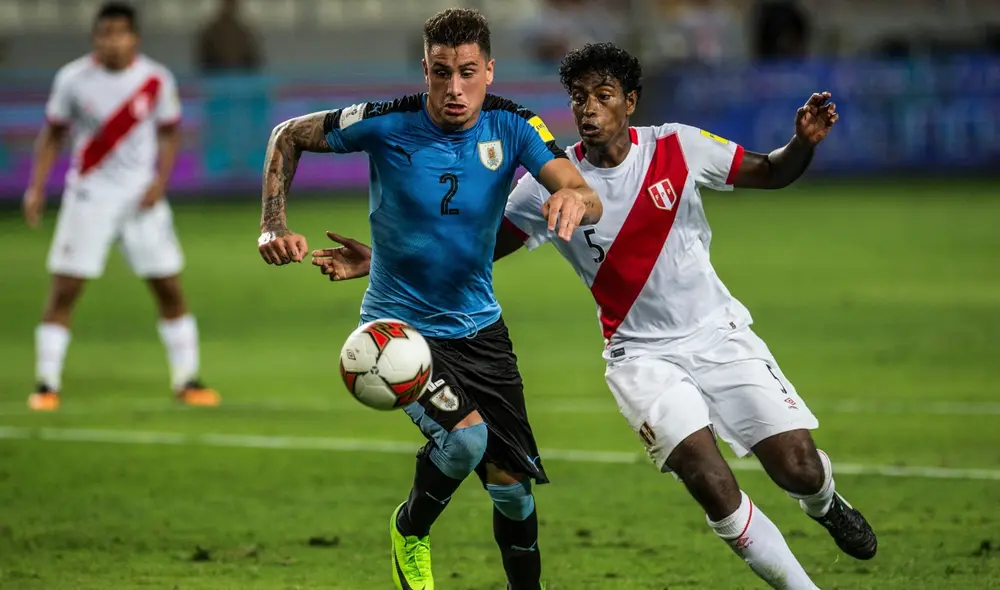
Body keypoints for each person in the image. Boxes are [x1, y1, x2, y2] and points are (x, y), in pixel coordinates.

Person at [312, 43, 877, 590]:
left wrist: (801, 143)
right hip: (640, 358)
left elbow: (772, 171)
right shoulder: (544, 186)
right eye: (578, 96)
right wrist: (380, 260)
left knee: (798, 466)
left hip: (720, 334)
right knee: (709, 480)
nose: (587, 107)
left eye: (602, 94)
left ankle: (824, 503)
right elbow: (472, 250)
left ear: (630, 101)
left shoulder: (679, 147)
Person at [255, 9, 601, 590]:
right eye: (441, 73)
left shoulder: (514, 125)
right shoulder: (386, 123)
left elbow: (579, 187)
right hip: (399, 332)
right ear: (425, 69)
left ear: (489, 71)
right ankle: (411, 529)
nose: (454, 89)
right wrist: (272, 224)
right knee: (464, 439)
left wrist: (576, 201)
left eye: (468, 72)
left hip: (481, 330)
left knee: (513, 494)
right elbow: (286, 134)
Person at [22, 1, 220, 411]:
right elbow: (53, 135)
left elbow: (170, 135)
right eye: (104, 33)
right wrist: (36, 188)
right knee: (66, 289)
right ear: (96, 38)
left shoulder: (155, 80)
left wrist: (159, 183)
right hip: (89, 196)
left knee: (169, 287)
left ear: (135, 37)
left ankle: (188, 380)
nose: (112, 41)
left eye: (119, 32)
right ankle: (46, 385)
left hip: (141, 200)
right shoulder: (73, 79)